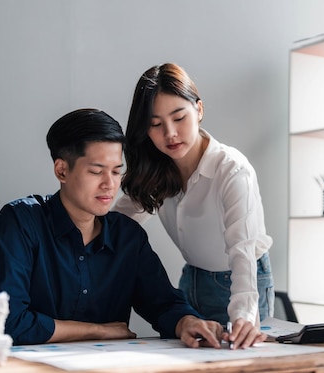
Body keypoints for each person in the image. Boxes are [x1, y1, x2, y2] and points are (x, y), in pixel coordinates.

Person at [0, 108, 225, 347]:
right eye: (97, 171)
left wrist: (188, 323)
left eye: (117, 172)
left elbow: (163, 303)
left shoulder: (128, 237)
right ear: (62, 170)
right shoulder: (20, 223)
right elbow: (9, 321)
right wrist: (98, 331)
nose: (109, 184)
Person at [112, 63, 273, 349]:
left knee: (237, 358)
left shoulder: (232, 170)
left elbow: (242, 250)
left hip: (240, 280)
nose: (170, 133)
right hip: (191, 278)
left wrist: (245, 314)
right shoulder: (155, 171)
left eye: (179, 117)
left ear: (198, 110)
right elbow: (117, 226)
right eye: (156, 124)